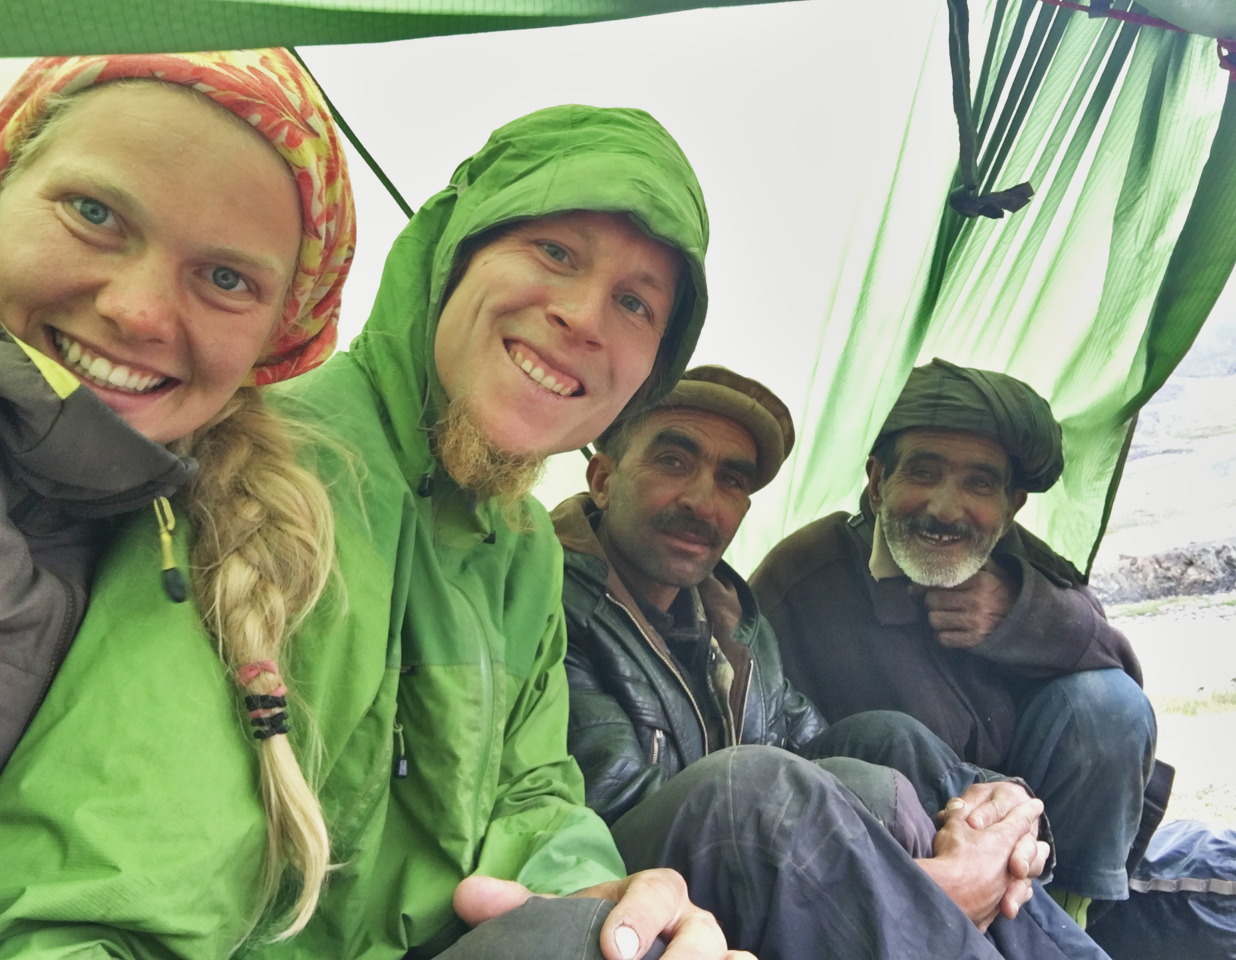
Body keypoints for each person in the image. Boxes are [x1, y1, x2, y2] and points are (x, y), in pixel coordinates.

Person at [0, 89, 744, 960]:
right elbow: (97, 909)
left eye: (637, 304)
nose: (583, 316)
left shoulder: (526, 546)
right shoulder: (276, 474)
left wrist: (604, 898)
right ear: (451, 260)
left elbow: (532, 788)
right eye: (553, 250)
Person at [552, 364, 1112, 960]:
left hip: (758, 862)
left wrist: (994, 806)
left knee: (888, 738)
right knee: (755, 784)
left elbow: (818, 751)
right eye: (673, 462)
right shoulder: (555, 604)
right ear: (604, 478)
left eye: (732, 479)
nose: (701, 501)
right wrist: (912, 892)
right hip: (640, 889)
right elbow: (625, 813)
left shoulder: (730, 618)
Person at [0, 48, 355, 942]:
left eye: (227, 278)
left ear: (277, 337)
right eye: (94, 213)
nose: (142, 312)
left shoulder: (215, 535)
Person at [751, 357, 1159, 927]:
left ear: (1011, 506)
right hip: (899, 851)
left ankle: (1070, 920)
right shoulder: (802, 576)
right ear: (876, 481)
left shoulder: (1019, 561)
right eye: (922, 473)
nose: (946, 508)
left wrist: (1015, 616)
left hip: (1039, 837)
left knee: (1108, 704)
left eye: (979, 484)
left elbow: (1119, 671)